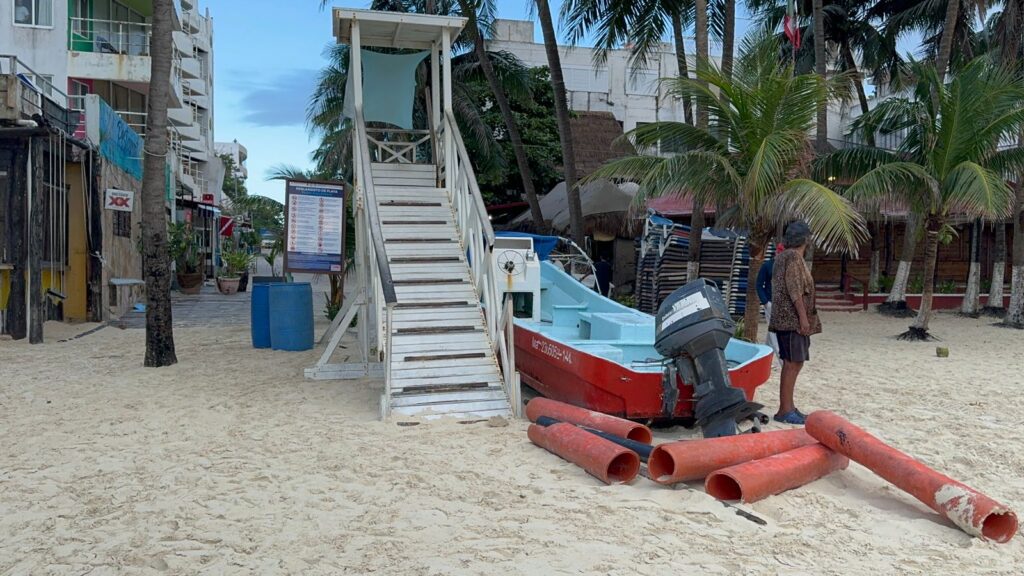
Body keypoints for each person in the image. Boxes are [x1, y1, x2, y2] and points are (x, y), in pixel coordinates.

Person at [768, 221, 821, 425]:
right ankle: (785, 409)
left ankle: (788, 407)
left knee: (794, 362)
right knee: (791, 363)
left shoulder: (786, 257)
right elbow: (795, 290)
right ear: (806, 239)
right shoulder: (792, 257)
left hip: (788, 319)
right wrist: (803, 318)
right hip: (790, 320)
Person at [756, 244, 783, 367]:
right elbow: (759, 284)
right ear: (776, 253)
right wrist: (765, 302)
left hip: (783, 304)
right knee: (775, 332)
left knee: (772, 333)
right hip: (770, 303)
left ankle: (763, 360)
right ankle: (782, 360)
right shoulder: (767, 266)